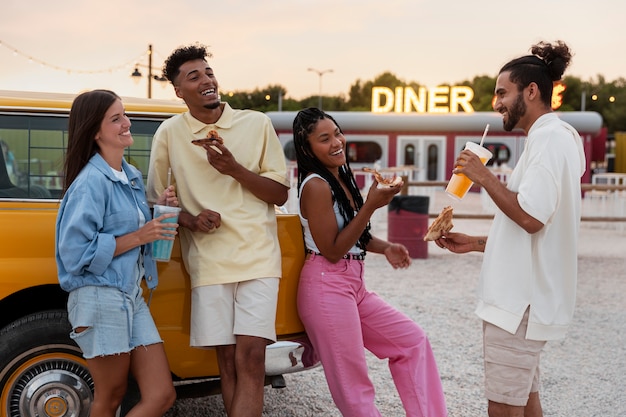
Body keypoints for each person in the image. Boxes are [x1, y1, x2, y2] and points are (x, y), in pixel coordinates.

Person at [435, 41, 585, 417]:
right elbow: (538, 226)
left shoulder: (549, 140)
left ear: (531, 91)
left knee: (503, 408)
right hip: (526, 302)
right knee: (526, 403)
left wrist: (482, 176)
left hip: (518, 305)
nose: (496, 102)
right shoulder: (553, 138)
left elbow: (531, 218)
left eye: (503, 92)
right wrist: (478, 243)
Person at [146, 45, 290, 417]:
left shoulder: (256, 123)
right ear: (179, 91)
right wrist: (191, 221)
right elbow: (154, 202)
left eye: (208, 73)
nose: (206, 81)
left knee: (253, 357)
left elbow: (279, 193)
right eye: (193, 77)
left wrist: (234, 169)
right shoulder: (169, 133)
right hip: (207, 261)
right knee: (226, 362)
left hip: (258, 255)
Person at [293, 107, 448, 417]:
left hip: (353, 285)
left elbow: (353, 236)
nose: (337, 142)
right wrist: (372, 206)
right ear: (308, 149)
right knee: (354, 387)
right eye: (324, 139)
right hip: (325, 286)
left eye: (337, 133)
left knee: (412, 342)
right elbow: (333, 249)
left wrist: (385, 246)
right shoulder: (316, 186)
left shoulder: (339, 176)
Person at [55, 89, 178, 417]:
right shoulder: (90, 183)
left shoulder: (131, 176)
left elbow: (139, 240)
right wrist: (141, 234)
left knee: (161, 394)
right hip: (98, 297)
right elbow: (75, 254)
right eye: (116, 118)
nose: (127, 122)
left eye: (124, 114)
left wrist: (161, 212)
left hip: (130, 296)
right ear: (95, 132)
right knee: (111, 396)